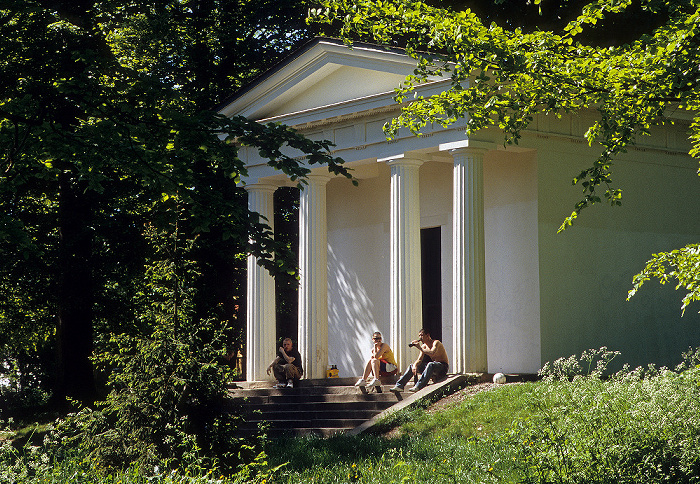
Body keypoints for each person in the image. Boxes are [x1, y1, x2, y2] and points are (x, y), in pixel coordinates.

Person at [390, 328, 449, 393]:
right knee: (412, 366)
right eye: (419, 336)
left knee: (430, 364)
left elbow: (432, 353)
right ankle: (399, 386)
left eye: (422, 335)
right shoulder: (424, 346)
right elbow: (419, 360)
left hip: (442, 367)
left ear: (427, 335)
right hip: (433, 368)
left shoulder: (436, 342)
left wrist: (419, 347)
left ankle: (419, 386)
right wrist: (415, 365)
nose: (420, 337)